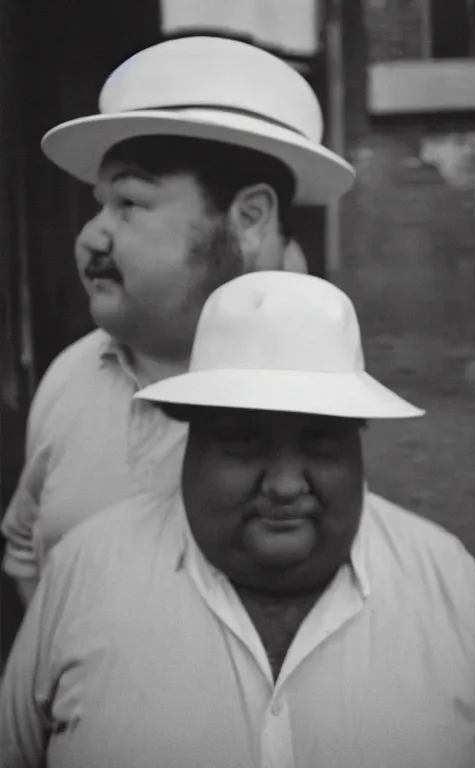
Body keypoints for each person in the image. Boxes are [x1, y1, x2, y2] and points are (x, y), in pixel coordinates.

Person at [2, 270, 475, 768]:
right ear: (190, 441)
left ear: (357, 444)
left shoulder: (447, 581)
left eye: (321, 441)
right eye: (244, 441)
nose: (286, 485)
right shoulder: (85, 573)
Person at [0, 36, 355, 606]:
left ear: (249, 217)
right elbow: (26, 549)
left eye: (130, 203)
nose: (92, 235)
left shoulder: (319, 395)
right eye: (99, 204)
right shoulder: (70, 375)